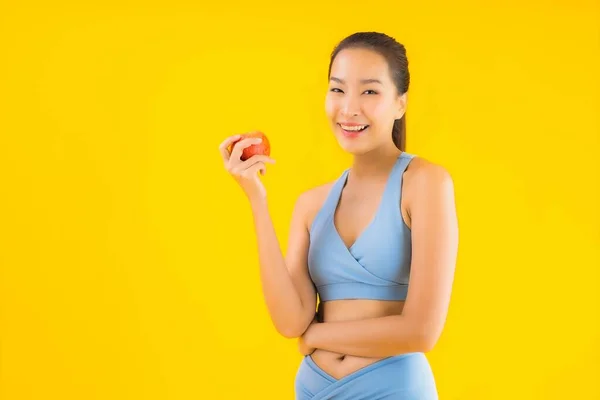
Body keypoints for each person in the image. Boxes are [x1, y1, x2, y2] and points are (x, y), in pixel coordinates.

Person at [218, 31, 458, 399]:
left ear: (400, 104)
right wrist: (256, 200)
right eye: (337, 89)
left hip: (392, 388)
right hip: (314, 388)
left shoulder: (425, 183)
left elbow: (421, 331)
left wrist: (317, 335)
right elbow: (290, 320)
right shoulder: (311, 204)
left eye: (370, 91)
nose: (349, 108)